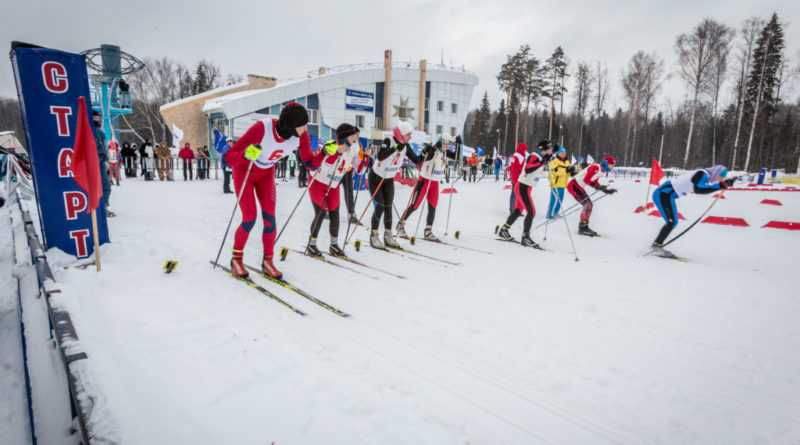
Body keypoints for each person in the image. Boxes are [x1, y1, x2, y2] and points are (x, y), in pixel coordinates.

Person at [224, 102, 310, 279]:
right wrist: (245, 154)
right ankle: (236, 258)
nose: (306, 128)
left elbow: (310, 163)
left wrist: (326, 152)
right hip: (244, 172)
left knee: (270, 219)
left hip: (266, 175)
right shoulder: (261, 128)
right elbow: (229, 157)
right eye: (303, 124)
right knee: (249, 218)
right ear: (291, 126)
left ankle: (268, 261)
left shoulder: (301, 136)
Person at [299, 123, 370, 256]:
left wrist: (366, 158)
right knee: (321, 212)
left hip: (333, 185)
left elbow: (360, 170)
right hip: (318, 182)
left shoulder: (353, 149)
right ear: (343, 137)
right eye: (352, 136)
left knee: (335, 213)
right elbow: (323, 168)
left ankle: (334, 244)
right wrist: (336, 153)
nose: (355, 139)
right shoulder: (331, 146)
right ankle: (312, 244)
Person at [652, 165, 734, 254]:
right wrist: (720, 185)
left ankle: (657, 244)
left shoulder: (704, 175)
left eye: (723, 178)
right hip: (663, 194)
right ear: (716, 173)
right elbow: (698, 189)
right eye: (721, 177)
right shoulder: (702, 174)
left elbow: (701, 187)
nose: (721, 179)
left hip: (668, 195)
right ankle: (656, 246)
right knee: (672, 221)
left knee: (673, 221)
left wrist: (722, 185)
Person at [368, 120, 422, 249]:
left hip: (389, 179)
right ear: (402, 134)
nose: (410, 137)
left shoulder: (405, 146)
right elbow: (380, 156)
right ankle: (373, 236)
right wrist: (394, 149)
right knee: (380, 206)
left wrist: (426, 153)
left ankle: (388, 236)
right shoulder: (389, 141)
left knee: (388, 207)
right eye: (408, 134)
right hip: (377, 177)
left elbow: (417, 160)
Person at [396, 133, 456, 242]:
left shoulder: (445, 152)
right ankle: (400, 225)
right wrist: (428, 150)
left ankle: (428, 230)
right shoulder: (433, 150)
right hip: (424, 181)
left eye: (449, 144)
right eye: (445, 144)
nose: (447, 147)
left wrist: (460, 145)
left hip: (434, 183)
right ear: (440, 143)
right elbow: (422, 159)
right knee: (414, 205)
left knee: (433, 206)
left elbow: (456, 156)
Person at [497, 141, 555, 247]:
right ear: (544, 149)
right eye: (550, 148)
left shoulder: (541, 157)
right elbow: (528, 169)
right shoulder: (535, 156)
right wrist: (542, 162)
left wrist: (545, 161)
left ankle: (504, 230)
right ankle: (525, 237)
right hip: (522, 187)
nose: (552, 150)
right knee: (531, 212)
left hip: (526, 187)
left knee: (518, 211)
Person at [566, 155, 617, 236]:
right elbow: (586, 179)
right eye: (611, 165)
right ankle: (582, 228)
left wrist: (606, 190)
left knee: (590, 205)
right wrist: (597, 187)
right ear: (606, 164)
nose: (612, 167)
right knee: (587, 205)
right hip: (574, 185)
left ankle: (584, 226)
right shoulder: (595, 167)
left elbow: (595, 182)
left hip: (579, 186)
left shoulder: (601, 170)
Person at [92, 111, 112, 215]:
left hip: (102, 160)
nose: (97, 119)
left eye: (97, 117)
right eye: (94, 117)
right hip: (92, 160)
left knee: (106, 186)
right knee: (93, 187)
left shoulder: (100, 132)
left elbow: (103, 146)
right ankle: (94, 209)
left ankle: (104, 206)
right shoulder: (88, 131)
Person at [547, 147, 572, 218]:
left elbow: (568, 172)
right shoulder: (554, 161)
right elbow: (554, 172)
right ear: (558, 153)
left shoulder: (567, 161)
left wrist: (571, 172)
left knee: (560, 200)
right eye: (562, 153)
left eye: (564, 153)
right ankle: (549, 214)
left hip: (563, 184)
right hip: (556, 184)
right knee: (554, 199)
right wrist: (565, 171)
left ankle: (555, 212)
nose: (563, 154)